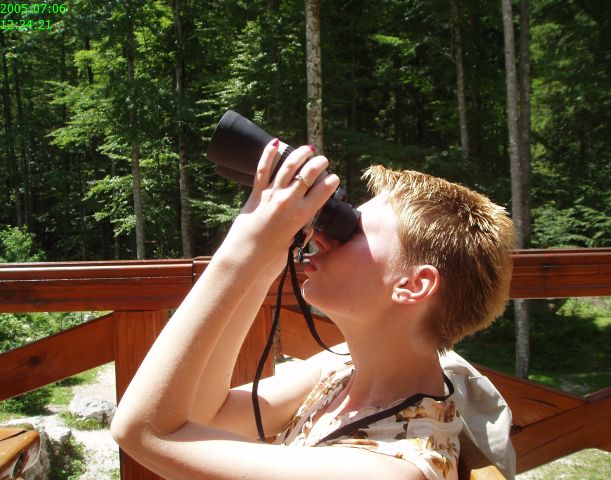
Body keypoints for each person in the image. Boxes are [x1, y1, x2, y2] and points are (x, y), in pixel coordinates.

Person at [111, 139, 516, 480]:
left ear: (413, 285)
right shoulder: (340, 371)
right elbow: (207, 416)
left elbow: (143, 432)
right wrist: (261, 270)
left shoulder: (393, 467)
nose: (322, 236)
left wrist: (239, 251)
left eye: (354, 231)